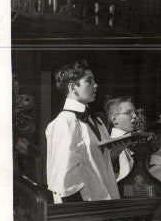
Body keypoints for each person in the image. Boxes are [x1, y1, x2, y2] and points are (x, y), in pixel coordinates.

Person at [45, 59, 120, 202]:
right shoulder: (64, 122)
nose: (95, 85)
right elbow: (63, 178)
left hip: (106, 205)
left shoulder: (96, 122)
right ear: (73, 87)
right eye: (89, 81)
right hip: (84, 210)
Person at [105, 96, 139, 182]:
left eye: (135, 112)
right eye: (128, 113)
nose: (135, 116)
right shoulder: (110, 145)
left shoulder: (131, 141)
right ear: (114, 119)